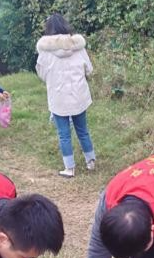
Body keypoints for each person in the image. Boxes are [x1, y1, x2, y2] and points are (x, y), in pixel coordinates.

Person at [35, 13, 96, 178]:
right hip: (79, 95)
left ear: (49, 29)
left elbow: (41, 73)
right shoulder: (78, 45)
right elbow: (89, 69)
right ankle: (91, 161)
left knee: (64, 134)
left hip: (58, 97)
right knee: (83, 130)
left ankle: (69, 168)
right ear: (65, 25)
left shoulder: (45, 50)